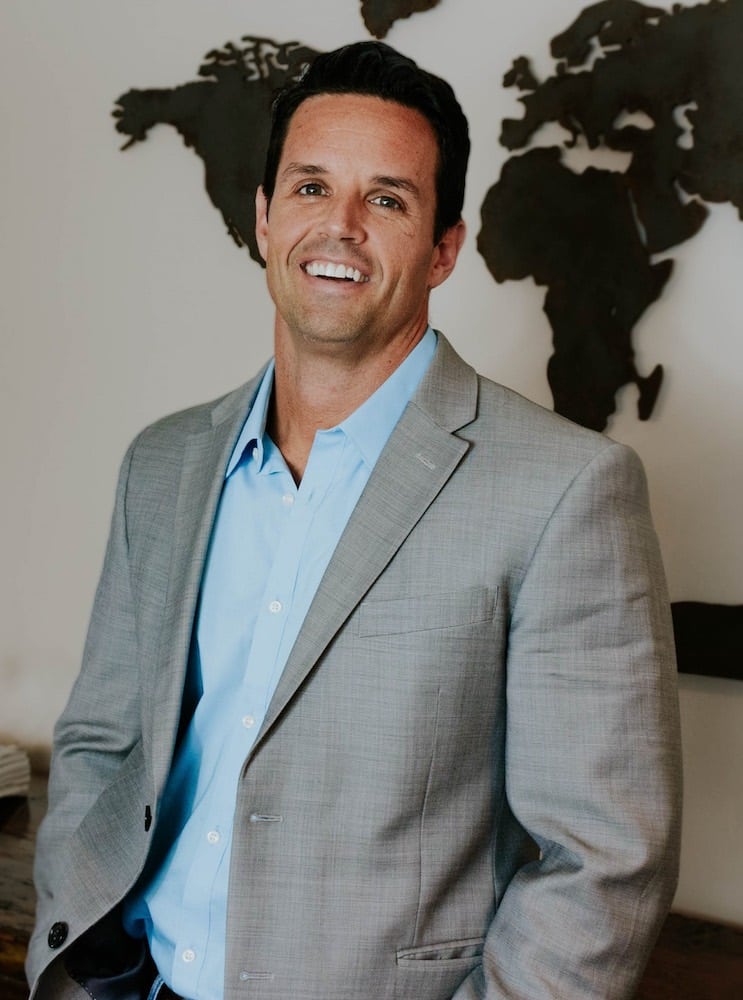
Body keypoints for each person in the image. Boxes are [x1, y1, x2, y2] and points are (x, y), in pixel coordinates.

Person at [28, 41, 682, 1000]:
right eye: (308, 188)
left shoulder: (566, 490)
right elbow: (102, 743)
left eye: (386, 199)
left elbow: (602, 860)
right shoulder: (162, 464)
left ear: (443, 248)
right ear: (262, 218)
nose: (338, 227)